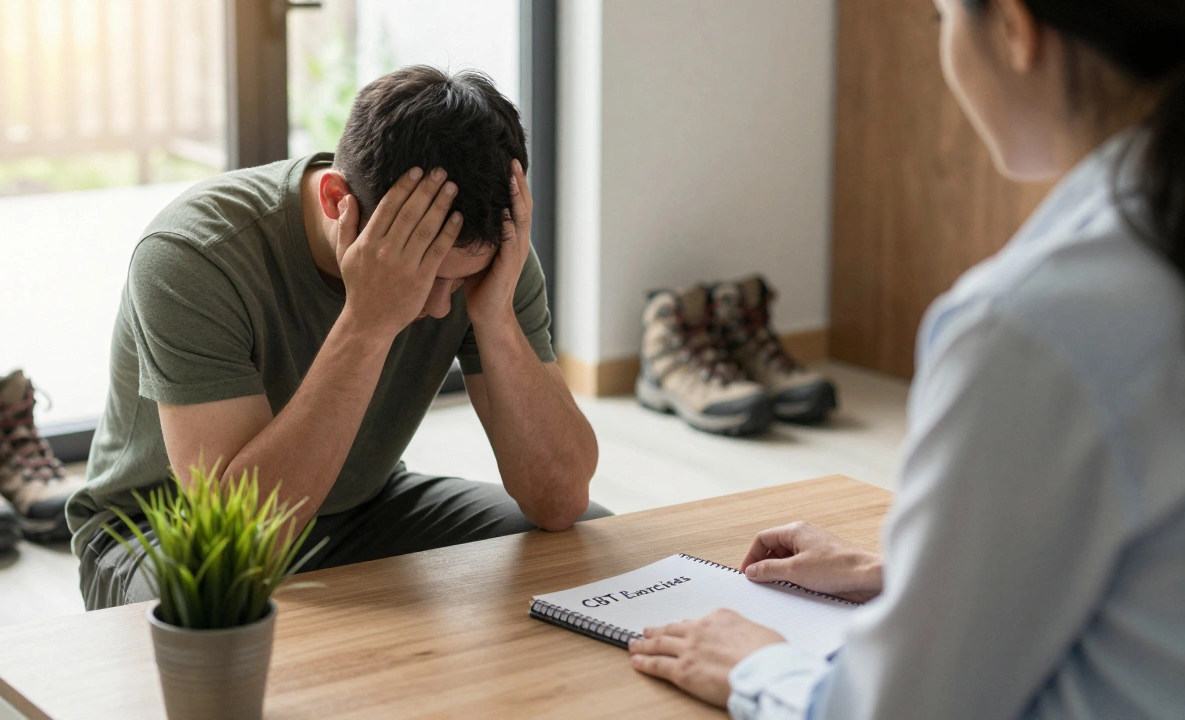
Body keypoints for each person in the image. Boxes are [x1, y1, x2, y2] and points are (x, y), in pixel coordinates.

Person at [628, 0, 1185, 717]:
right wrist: (904, 577)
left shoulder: (1028, 327)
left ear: (1014, 28)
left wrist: (756, 667)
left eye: (940, 15)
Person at [67, 66, 609, 610]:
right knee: (216, 610)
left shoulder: (485, 253)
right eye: (424, 275)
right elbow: (239, 537)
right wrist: (368, 322)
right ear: (335, 199)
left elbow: (560, 501)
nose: (444, 304)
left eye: (461, 280)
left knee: (585, 544)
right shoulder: (193, 252)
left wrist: (496, 320)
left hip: (361, 508)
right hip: (166, 533)